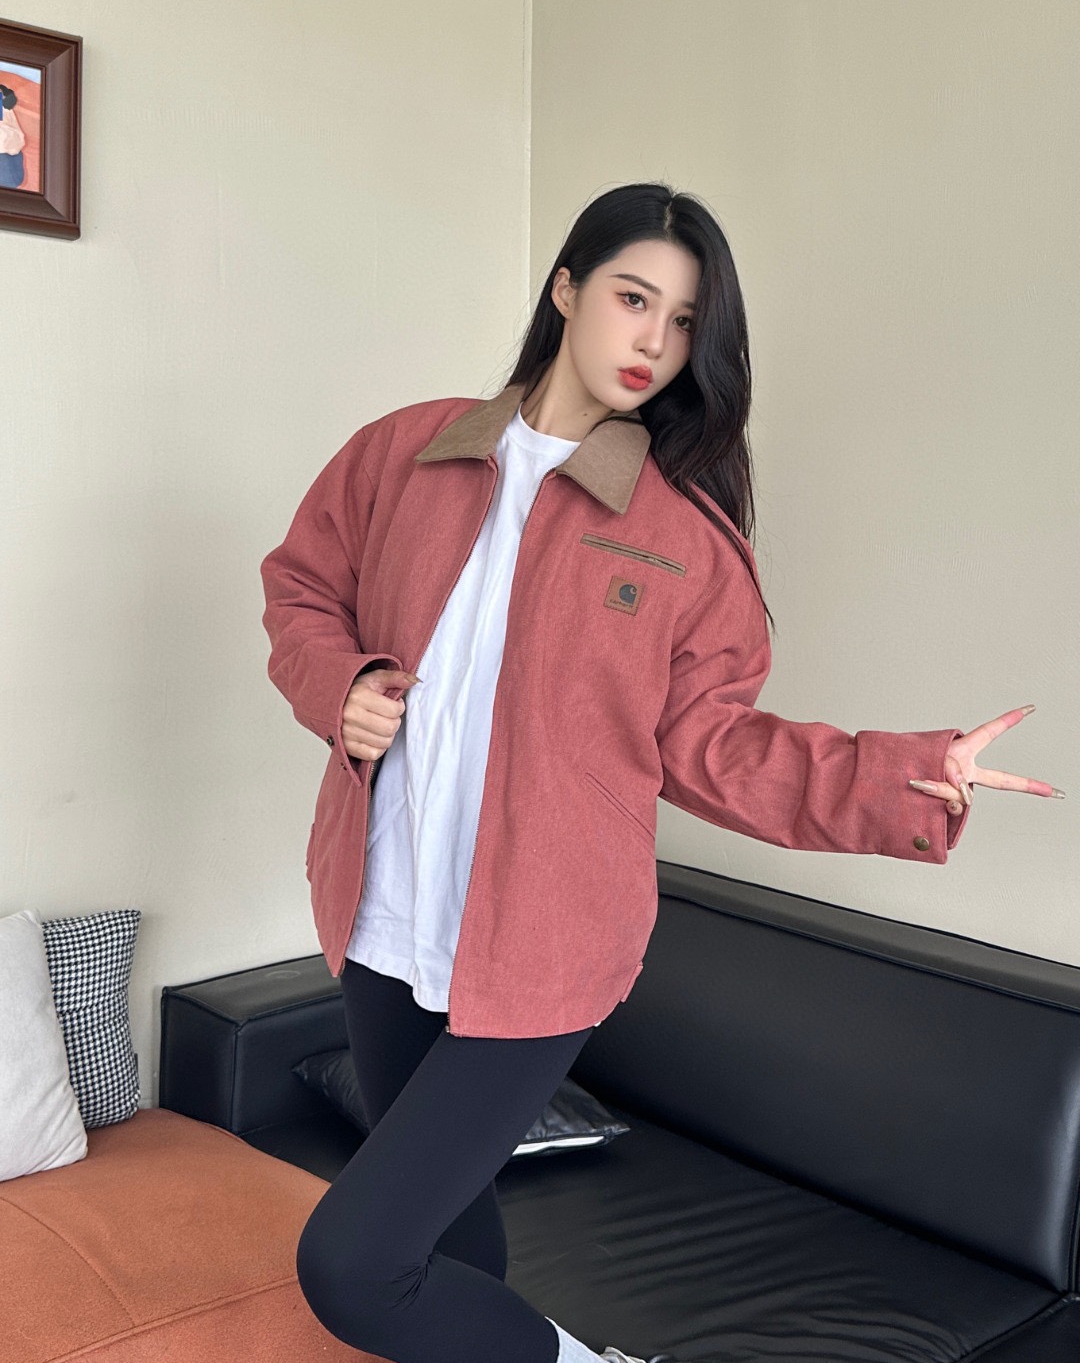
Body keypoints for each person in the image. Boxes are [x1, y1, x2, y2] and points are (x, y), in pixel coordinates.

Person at [259, 181, 1061, 1363]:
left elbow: (715, 744)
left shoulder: (682, 535)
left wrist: (901, 775)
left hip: (542, 944)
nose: (655, 340)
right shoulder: (405, 451)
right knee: (447, 1238)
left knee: (354, 1263)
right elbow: (300, 590)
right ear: (567, 288)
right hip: (383, 912)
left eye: (684, 321)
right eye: (634, 299)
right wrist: (344, 684)